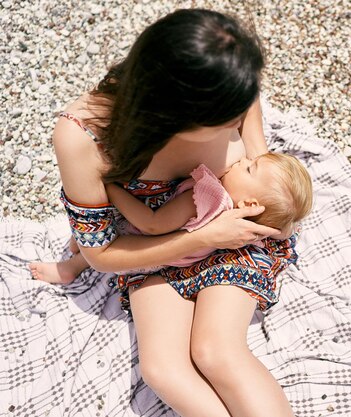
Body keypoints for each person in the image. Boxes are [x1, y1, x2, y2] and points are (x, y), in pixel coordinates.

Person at [48, 9, 301, 417]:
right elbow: (101, 254)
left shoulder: (220, 61)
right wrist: (201, 238)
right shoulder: (85, 138)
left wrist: (260, 162)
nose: (238, 122)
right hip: (156, 249)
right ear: (172, 115)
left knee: (216, 351)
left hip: (235, 232)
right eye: (227, 119)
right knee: (163, 368)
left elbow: (249, 100)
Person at [29, 152, 313, 288]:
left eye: (249, 168)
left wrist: (111, 189)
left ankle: (70, 268)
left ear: (249, 202)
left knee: (109, 231)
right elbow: (281, 230)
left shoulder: (206, 200)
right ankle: (76, 245)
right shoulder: (253, 222)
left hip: (150, 249)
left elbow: (153, 223)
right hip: (180, 257)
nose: (242, 160)